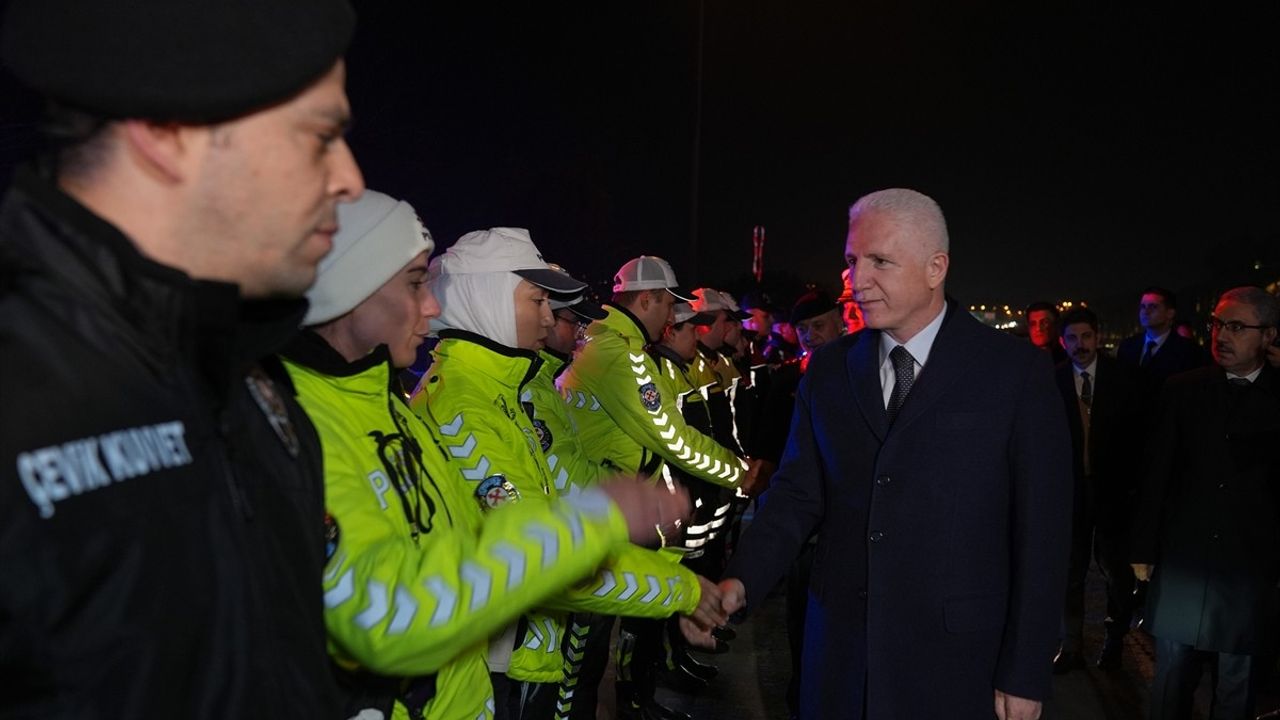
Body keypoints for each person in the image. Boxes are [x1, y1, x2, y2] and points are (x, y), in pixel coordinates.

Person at [0, 1, 364, 716]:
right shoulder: (20, 398)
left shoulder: (250, 380)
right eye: (322, 137)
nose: (349, 177)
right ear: (167, 131)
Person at [282, 191, 692, 718]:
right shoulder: (453, 405)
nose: (432, 306)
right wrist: (664, 575)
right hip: (500, 663)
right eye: (415, 284)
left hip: (496, 666)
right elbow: (404, 603)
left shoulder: (410, 406)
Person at [713, 188, 1072, 720]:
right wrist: (738, 580)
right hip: (840, 657)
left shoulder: (1016, 374)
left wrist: (1025, 670)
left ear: (936, 267)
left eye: (880, 261)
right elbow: (795, 495)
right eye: (853, 260)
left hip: (958, 663)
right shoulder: (830, 373)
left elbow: (1043, 534)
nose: (859, 280)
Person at [409, 232, 724, 720]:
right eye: (537, 300)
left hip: (517, 650)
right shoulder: (463, 404)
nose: (549, 319)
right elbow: (541, 555)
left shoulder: (503, 391)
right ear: (485, 300)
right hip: (487, 662)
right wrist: (681, 590)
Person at [1131, 286, 1280, 720]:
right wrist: (1143, 548)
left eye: (1237, 326)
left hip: (1249, 566)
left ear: (1269, 335)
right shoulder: (1183, 389)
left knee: (1238, 684)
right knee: (1171, 678)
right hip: (1185, 560)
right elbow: (1155, 473)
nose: (1221, 335)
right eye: (1217, 324)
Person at [1051, 307, 1145, 673]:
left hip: (1114, 494)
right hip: (1070, 495)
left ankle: (1114, 640)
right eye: (1072, 338)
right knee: (1070, 572)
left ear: (1097, 337)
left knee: (1116, 573)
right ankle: (1071, 645)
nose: (1080, 345)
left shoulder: (1125, 380)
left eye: (1086, 336)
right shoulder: (1053, 381)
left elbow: (1138, 438)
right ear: (1063, 342)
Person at [1116, 287, 1209, 385]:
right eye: (1143, 306)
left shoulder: (1189, 351)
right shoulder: (1127, 346)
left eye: (1153, 307)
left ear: (1170, 313)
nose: (1146, 312)